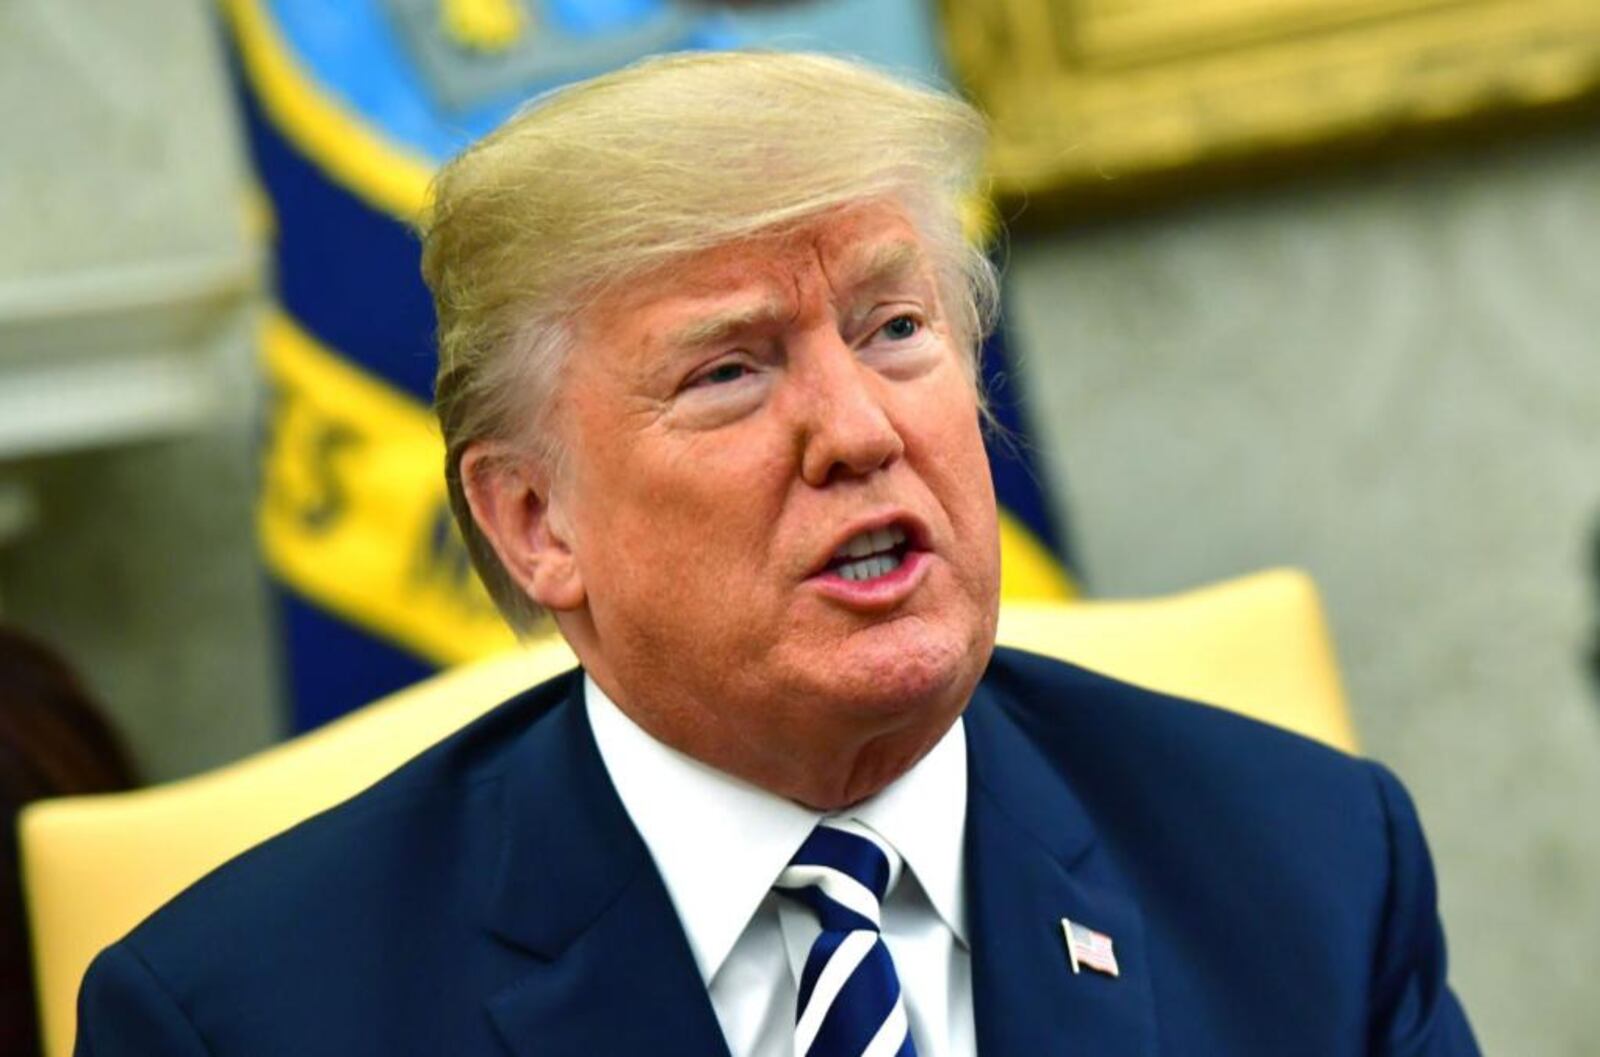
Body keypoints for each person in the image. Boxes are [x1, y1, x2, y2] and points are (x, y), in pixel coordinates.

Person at [73, 52, 1479, 1056]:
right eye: (731, 371)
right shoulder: (246, 1013)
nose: (859, 431)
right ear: (531, 520)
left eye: (895, 330)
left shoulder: (1305, 868)